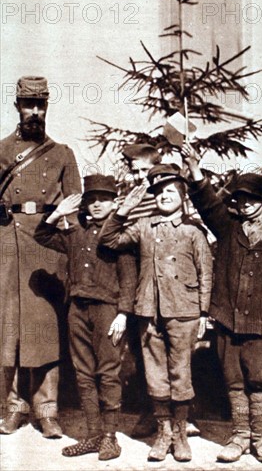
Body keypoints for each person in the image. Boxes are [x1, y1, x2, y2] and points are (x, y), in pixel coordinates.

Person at [181, 142, 262, 464]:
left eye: (252, 198)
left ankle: (261, 436)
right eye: (240, 198)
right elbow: (207, 204)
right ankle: (240, 435)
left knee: (260, 378)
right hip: (227, 320)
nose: (244, 203)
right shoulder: (227, 228)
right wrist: (194, 171)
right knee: (233, 379)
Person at [98, 163, 213, 463]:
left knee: (181, 372)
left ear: (183, 197)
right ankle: (163, 433)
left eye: (170, 191)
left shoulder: (193, 231)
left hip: (184, 311)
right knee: (155, 374)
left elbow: (206, 272)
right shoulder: (143, 226)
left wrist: (203, 312)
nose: (164, 196)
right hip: (149, 311)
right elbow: (108, 240)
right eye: (159, 192)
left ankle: (181, 434)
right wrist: (123, 211)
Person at [34, 174, 137, 460]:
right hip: (77, 309)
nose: (96, 205)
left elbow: (129, 279)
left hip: (108, 310)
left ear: (114, 202)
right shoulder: (74, 232)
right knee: (83, 373)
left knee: (107, 372)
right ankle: (92, 436)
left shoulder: (119, 235)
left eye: (104, 199)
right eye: (91, 199)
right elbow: (42, 235)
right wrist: (57, 213)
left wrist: (123, 314)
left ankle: (109, 437)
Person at [0, 76, 81, 438]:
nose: (35, 111)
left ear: (47, 107)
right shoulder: (1, 151)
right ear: (17, 106)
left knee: (45, 328)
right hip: (7, 244)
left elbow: (77, 207)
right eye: (28, 104)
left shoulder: (62, 153)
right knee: (11, 327)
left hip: (47, 246)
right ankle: (14, 406)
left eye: (40, 105)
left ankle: (47, 410)